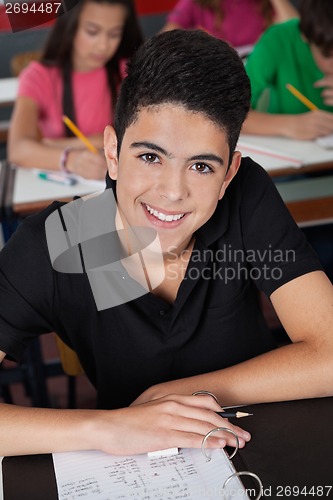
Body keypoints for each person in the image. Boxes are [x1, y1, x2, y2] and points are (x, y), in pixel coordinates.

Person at [1, 29, 333, 458]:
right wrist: (106, 428)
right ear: (113, 153)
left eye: (200, 166)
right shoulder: (58, 242)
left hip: (256, 441)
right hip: (135, 464)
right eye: (150, 157)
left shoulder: (244, 195)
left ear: (229, 173)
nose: (173, 192)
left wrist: (179, 394)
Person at [7, 0, 143, 180]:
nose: (103, 45)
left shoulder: (128, 71)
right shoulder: (38, 76)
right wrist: (71, 160)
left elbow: (138, 136)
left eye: (114, 34)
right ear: (70, 26)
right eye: (92, 32)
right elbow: (18, 149)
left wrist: (56, 145)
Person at [242, 0, 333, 139]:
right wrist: (289, 124)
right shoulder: (277, 41)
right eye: (328, 54)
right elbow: (225, 113)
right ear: (304, 36)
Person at [161, 0, 298, 52]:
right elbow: (166, 37)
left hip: (260, 74)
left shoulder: (264, 4)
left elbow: (296, 32)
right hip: (218, 73)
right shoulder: (195, 3)